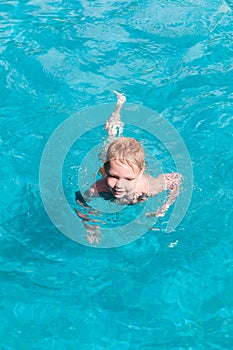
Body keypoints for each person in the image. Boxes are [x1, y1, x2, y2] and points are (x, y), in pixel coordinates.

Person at [75, 91, 182, 244]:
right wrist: (90, 225)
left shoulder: (149, 187)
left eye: (128, 178)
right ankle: (117, 109)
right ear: (106, 172)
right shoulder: (98, 188)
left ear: (140, 174)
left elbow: (176, 179)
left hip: (133, 170)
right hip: (110, 160)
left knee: (113, 139)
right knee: (110, 140)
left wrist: (165, 206)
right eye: (113, 176)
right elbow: (81, 200)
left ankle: (119, 107)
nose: (119, 184)